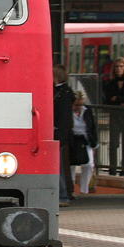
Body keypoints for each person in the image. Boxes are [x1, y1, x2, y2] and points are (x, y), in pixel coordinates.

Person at [103, 56, 124, 175]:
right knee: (113, 143)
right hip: (114, 115)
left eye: (121, 66)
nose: (119, 69)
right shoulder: (110, 83)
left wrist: (118, 98)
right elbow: (108, 100)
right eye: (117, 66)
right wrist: (122, 101)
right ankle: (112, 168)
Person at [54, 64, 76, 206]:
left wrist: (59, 137)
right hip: (60, 135)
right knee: (59, 166)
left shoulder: (61, 94)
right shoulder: (65, 92)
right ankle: (63, 194)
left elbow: (62, 118)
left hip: (58, 135)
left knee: (58, 167)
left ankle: (62, 195)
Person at [71, 90, 98, 195]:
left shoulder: (87, 110)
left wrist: (95, 144)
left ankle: (84, 190)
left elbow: (92, 127)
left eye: (81, 105)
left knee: (89, 165)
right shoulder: (67, 112)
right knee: (71, 166)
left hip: (85, 140)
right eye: (77, 105)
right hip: (73, 140)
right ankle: (71, 189)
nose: (79, 107)